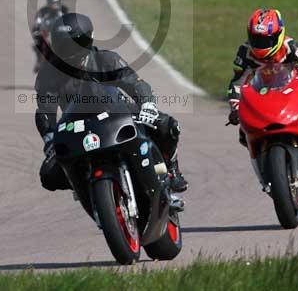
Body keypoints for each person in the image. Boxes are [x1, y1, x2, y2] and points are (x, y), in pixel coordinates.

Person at [35, 12, 188, 193]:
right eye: (62, 45)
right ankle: (86, 187)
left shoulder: (106, 59)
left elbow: (134, 83)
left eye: (71, 45)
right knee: (49, 175)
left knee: (166, 125)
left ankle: (171, 170)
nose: (66, 51)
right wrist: (50, 137)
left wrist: (147, 105)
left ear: (86, 42)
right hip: (77, 126)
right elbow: (45, 109)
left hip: (120, 115)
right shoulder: (48, 73)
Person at [225, 8, 298, 164]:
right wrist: (235, 107)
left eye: (265, 41)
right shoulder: (245, 52)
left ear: (279, 34)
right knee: (243, 133)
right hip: (261, 94)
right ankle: (262, 158)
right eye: (256, 39)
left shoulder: (291, 47)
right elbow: (237, 81)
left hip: (291, 91)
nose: (260, 45)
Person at [31, 0, 68, 72]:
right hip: (46, 33)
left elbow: (70, 21)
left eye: (55, 3)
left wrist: (70, 29)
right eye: (52, 3)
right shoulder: (42, 11)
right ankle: (39, 60)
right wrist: (36, 30)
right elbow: (37, 22)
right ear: (48, 3)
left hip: (60, 34)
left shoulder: (64, 11)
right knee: (38, 44)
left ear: (59, 3)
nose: (54, 5)